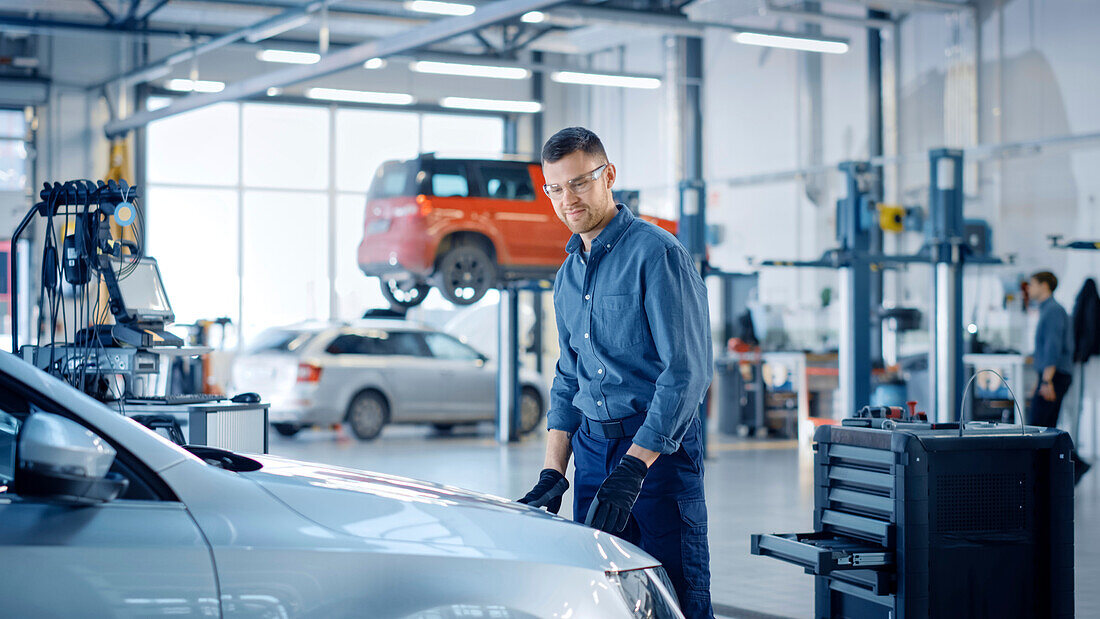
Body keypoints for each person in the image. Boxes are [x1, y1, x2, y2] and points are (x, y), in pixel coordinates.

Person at [517, 127, 714, 618]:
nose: (568, 199)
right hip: (591, 453)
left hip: (656, 458)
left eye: (580, 183)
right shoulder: (567, 274)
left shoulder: (657, 254)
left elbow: (686, 372)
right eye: (556, 189)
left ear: (609, 176)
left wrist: (634, 467)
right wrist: (552, 470)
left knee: (675, 598)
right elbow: (568, 376)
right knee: (605, 596)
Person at [1027, 270, 1090, 483]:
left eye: (1032, 284)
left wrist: (1046, 381)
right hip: (1051, 375)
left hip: (1054, 376)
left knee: (1039, 427)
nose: (1029, 288)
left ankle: (1074, 464)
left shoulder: (1052, 310)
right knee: (1046, 425)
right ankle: (1060, 469)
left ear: (1044, 286)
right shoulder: (1048, 309)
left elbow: (1053, 347)